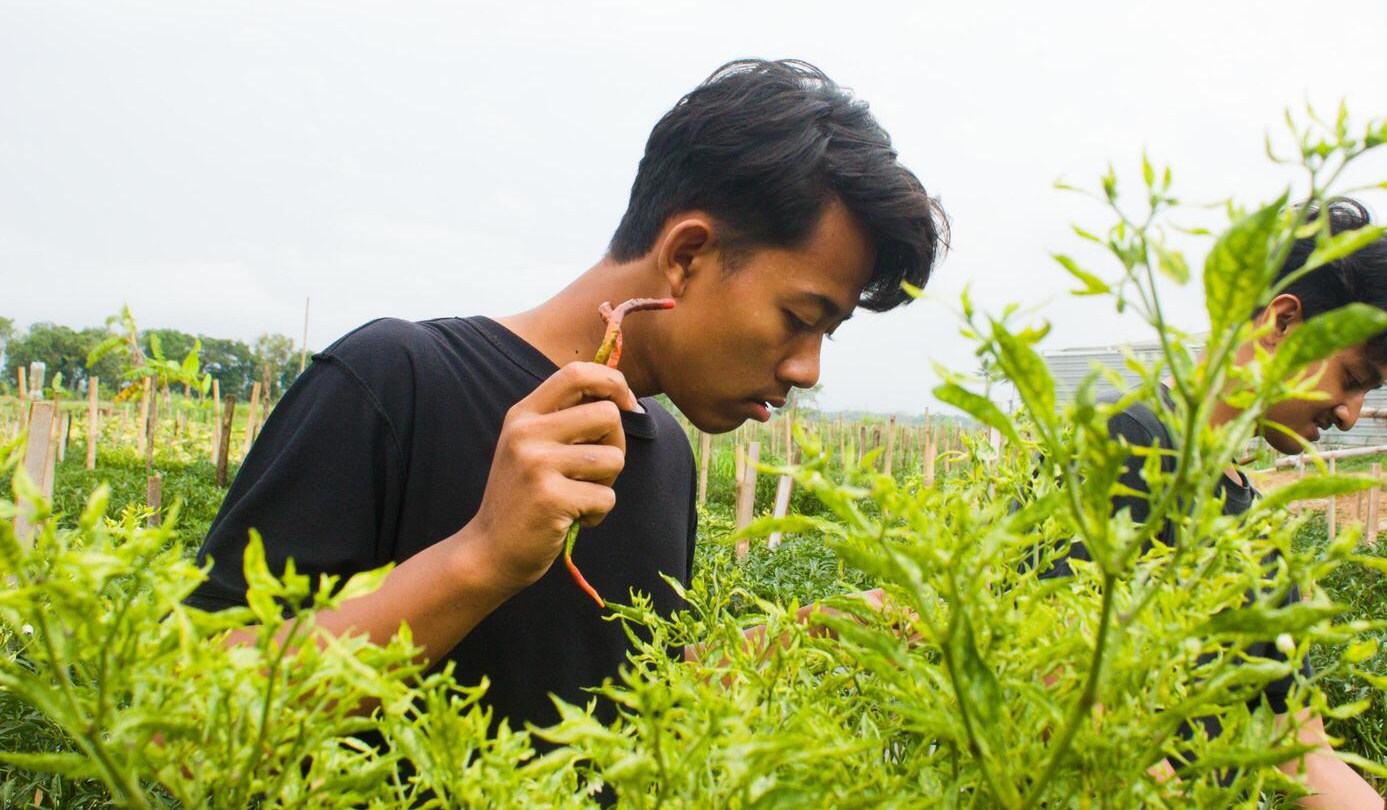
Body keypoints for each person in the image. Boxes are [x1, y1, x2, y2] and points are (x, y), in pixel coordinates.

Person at [185, 58, 950, 732]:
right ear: (686, 255)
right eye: (799, 318)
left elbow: (625, 701)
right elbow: (177, 714)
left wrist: (809, 634)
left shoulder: (665, 451)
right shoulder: (399, 381)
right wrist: (481, 556)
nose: (808, 369)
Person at [1052, 198, 1387, 810]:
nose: (1350, 416)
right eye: (1351, 377)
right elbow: (1057, 676)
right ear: (1283, 322)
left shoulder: (1255, 531)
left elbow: (1299, 742)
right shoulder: (1129, 444)